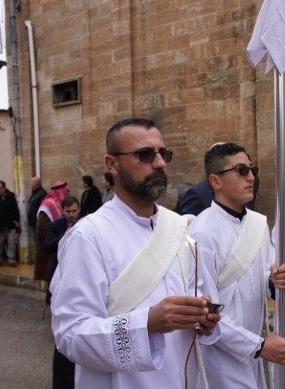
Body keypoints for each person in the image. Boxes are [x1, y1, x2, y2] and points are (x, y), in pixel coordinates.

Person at [50, 118, 221, 387]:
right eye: (145, 154)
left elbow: (195, 297)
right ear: (112, 164)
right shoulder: (88, 236)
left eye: (163, 154)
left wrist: (203, 319)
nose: (160, 163)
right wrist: (147, 323)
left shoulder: (178, 227)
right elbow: (70, 335)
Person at [190, 143, 285, 388]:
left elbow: (267, 271)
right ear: (215, 181)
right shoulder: (203, 232)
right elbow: (206, 311)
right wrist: (257, 346)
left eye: (252, 169)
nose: (251, 177)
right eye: (241, 170)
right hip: (220, 354)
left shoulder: (257, 224)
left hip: (255, 348)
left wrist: (276, 280)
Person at [44, 195, 81, 389]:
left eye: (75, 211)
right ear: (63, 210)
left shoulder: (86, 224)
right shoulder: (56, 225)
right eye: (68, 211)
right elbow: (47, 246)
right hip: (59, 273)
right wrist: (65, 235)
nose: (72, 215)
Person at [34, 180, 69, 281]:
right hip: (49, 250)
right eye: (65, 192)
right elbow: (42, 227)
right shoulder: (48, 205)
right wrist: (55, 238)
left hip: (57, 247)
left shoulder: (58, 204)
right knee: (51, 279)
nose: (67, 194)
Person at [0, 180, 20, 266]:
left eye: (0, 188)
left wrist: (16, 220)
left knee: (12, 243)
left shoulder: (11, 196)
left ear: (4, 188)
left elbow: (15, 209)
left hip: (10, 224)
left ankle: (11, 260)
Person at [26, 176, 47, 263]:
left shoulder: (41, 194)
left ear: (36, 183)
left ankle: (41, 261)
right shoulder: (34, 193)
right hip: (32, 222)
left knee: (39, 243)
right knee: (36, 242)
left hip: (37, 223)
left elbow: (41, 209)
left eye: (31, 182)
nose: (30, 184)